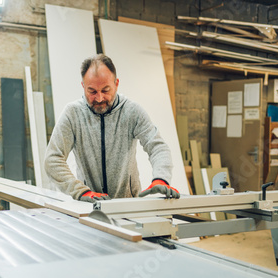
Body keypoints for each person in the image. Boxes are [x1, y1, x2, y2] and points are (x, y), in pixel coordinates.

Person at [44, 54, 179, 202]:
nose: (100, 98)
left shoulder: (132, 111)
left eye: (106, 90)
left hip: (129, 205)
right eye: (92, 91)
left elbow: (157, 147)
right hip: (89, 206)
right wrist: (80, 191)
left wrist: (161, 178)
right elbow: (52, 159)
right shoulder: (73, 114)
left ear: (116, 84)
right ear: (83, 86)